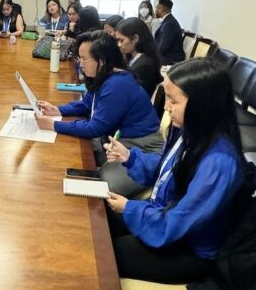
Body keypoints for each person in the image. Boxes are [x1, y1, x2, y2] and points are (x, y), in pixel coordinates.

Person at [104, 58, 244, 283]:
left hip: (189, 250)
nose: (166, 108)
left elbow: (177, 224)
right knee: (101, 219)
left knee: (105, 254)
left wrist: (130, 208)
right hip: (164, 217)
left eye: (173, 100)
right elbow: (166, 172)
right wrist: (129, 157)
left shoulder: (219, 163)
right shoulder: (190, 131)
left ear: (202, 104)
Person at [35, 31, 164, 196]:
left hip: (143, 148)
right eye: (79, 58)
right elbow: (87, 104)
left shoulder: (117, 84)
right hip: (120, 142)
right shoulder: (104, 76)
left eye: (84, 59)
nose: (80, 64)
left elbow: (95, 127)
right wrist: (58, 110)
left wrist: (54, 125)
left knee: (106, 185)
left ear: (102, 61)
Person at [114, 17, 163, 99]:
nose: (119, 44)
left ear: (135, 38)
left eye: (121, 40)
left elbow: (134, 96)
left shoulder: (144, 65)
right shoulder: (134, 57)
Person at [153, 0, 185, 64]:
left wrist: (151, 54)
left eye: (156, 8)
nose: (155, 10)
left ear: (161, 8)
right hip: (167, 56)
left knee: (146, 61)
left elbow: (163, 48)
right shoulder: (168, 21)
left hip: (171, 59)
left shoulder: (169, 23)